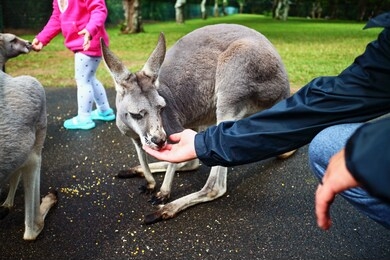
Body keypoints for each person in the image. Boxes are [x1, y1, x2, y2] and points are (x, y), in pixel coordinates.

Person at [143, 12, 390, 230]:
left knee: (335, 148)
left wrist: (371, 149)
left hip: (260, 78)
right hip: (236, 81)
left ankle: (213, 186)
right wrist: (205, 144)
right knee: (327, 145)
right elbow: (340, 95)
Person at [32, 0, 115, 130]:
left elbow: (99, 10)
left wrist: (90, 30)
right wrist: (42, 38)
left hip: (89, 42)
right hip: (83, 44)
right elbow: (56, 19)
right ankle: (104, 111)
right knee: (89, 78)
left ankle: (84, 118)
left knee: (83, 80)